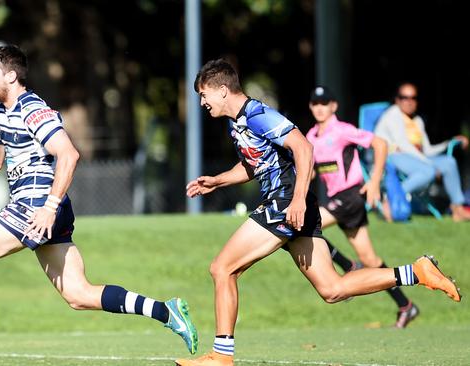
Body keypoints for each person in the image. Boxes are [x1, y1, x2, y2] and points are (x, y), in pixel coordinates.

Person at [0, 45, 198, 366]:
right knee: (78, 295)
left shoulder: (32, 109)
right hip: (39, 208)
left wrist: (49, 205)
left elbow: (68, 154)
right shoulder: (1, 113)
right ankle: (165, 311)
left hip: (35, 206)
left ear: (11, 75)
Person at [175, 59, 461, 366]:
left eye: (204, 94)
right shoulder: (238, 123)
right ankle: (416, 273)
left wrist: (297, 199)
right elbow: (253, 165)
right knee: (332, 288)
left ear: (222, 90)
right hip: (293, 203)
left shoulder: (257, 114)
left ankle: (221, 356)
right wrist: (218, 180)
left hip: (285, 202)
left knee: (222, 268)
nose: (202, 102)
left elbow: (303, 148)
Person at [306, 86, 418, 328]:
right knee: (371, 259)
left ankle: (348, 266)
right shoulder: (310, 137)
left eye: (325, 103)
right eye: (315, 103)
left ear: (333, 106)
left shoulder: (343, 130)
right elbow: (314, 169)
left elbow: (380, 144)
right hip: (338, 200)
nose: (320, 107)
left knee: (304, 225)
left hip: (351, 196)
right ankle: (406, 305)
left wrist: (375, 181)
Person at [374, 82, 470, 222]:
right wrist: (430, 164)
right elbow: (404, 145)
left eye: (413, 97)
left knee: (449, 162)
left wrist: (449, 143)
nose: (409, 101)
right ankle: (390, 200)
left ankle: (458, 208)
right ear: (397, 99)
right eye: (404, 97)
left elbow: (427, 150)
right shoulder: (392, 114)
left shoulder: (417, 121)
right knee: (428, 171)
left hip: (416, 158)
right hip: (393, 156)